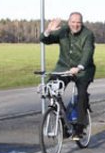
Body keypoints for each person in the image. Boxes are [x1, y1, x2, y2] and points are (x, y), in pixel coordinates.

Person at [40, 11, 96, 140]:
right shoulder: (63, 31)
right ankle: (64, 122)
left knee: (81, 94)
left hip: (83, 70)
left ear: (81, 23)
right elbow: (45, 40)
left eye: (78, 22)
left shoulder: (88, 34)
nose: (75, 25)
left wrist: (79, 67)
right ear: (68, 22)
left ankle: (80, 128)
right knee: (51, 89)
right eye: (73, 22)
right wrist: (48, 30)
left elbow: (88, 52)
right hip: (64, 67)